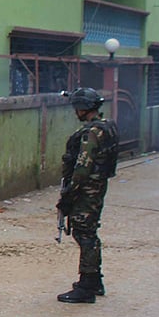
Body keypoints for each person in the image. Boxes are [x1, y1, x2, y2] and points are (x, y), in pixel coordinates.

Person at [56, 87, 118, 303]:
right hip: (97, 187)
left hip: (87, 190)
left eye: (77, 107)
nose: (75, 111)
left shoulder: (92, 133)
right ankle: (94, 280)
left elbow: (82, 168)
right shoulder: (106, 126)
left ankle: (87, 285)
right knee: (89, 232)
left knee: (84, 234)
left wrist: (68, 195)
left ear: (84, 108)